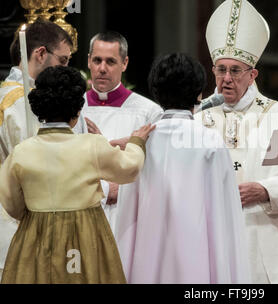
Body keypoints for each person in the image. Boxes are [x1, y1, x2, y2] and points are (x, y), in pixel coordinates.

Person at [194, 0, 278, 283]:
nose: (226, 78)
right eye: (220, 69)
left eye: (235, 70)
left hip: (264, 233)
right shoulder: (198, 119)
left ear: (253, 74)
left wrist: (266, 190)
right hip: (210, 234)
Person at [0, 66, 154, 283]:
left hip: (36, 235)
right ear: (78, 109)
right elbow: (130, 168)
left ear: (37, 107)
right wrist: (137, 142)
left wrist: (39, 213)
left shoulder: (22, 152)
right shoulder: (91, 145)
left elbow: (11, 203)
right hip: (84, 235)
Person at [115, 53, 250, 283]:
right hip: (196, 268)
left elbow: (126, 218)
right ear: (199, 94)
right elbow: (224, 220)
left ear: (156, 92)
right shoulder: (210, 142)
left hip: (147, 264)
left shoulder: (141, 141)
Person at [0, 19, 87, 279]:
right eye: (63, 60)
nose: (65, 69)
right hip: (19, 227)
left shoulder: (10, 95)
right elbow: (44, 165)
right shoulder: (21, 102)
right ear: (40, 53)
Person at [77, 31, 163, 235]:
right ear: (88, 61)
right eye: (97, 60)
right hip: (82, 211)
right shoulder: (74, 108)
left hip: (127, 215)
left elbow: (157, 169)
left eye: (110, 62)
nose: (102, 68)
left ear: (124, 63)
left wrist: (122, 188)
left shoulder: (148, 112)